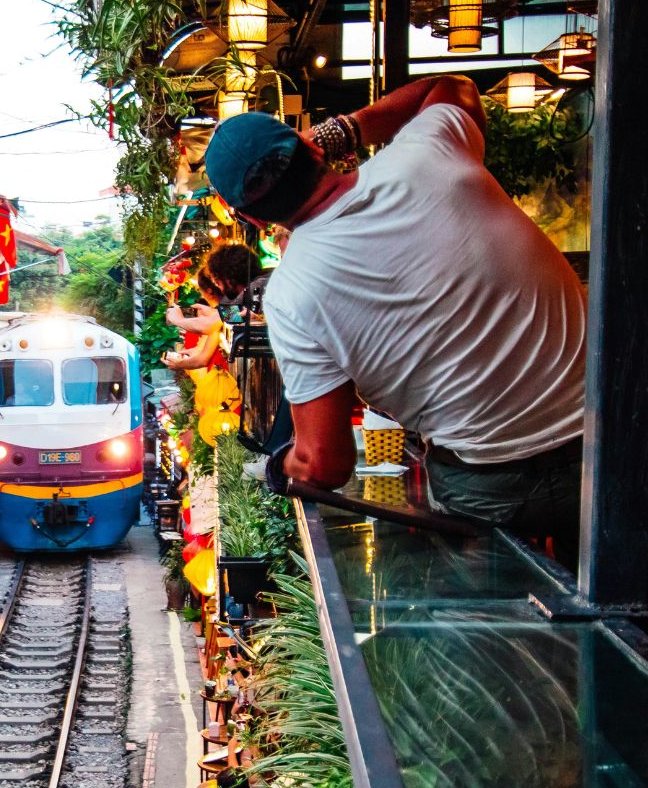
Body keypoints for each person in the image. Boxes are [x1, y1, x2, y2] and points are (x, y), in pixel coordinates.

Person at [204, 74, 586, 569]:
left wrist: (280, 467)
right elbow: (452, 88)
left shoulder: (292, 294)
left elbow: (323, 463)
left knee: (502, 631)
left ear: (253, 219)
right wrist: (348, 127)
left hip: (493, 487)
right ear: (314, 149)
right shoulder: (429, 152)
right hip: (615, 434)